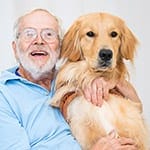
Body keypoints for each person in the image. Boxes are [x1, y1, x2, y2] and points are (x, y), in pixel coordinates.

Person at [0, 8, 141, 150]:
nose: (39, 41)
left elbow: (137, 109)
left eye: (48, 34)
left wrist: (114, 81)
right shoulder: (4, 93)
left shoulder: (69, 80)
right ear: (14, 48)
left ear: (60, 46)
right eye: (29, 34)